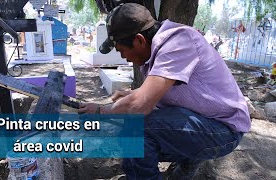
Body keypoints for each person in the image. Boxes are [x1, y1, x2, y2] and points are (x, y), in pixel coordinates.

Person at [78, 3, 251, 180]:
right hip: (205, 121)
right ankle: (182, 171)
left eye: (122, 51)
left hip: (224, 130)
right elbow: (163, 91)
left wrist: (101, 110)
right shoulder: (161, 48)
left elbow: (140, 105)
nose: (124, 58)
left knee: (136, 132)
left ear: (139, 40)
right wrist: (134, 94)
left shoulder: (178, 42)